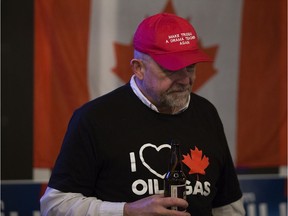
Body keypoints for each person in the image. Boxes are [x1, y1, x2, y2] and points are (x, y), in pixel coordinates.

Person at [40, 13, 245, 216]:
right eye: (171, 69)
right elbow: (55, 206)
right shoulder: (95, 119)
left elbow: (227, 205)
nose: (185, 80)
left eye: (190, 67)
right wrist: (126, 211)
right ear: (138, 68)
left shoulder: (206, 114)